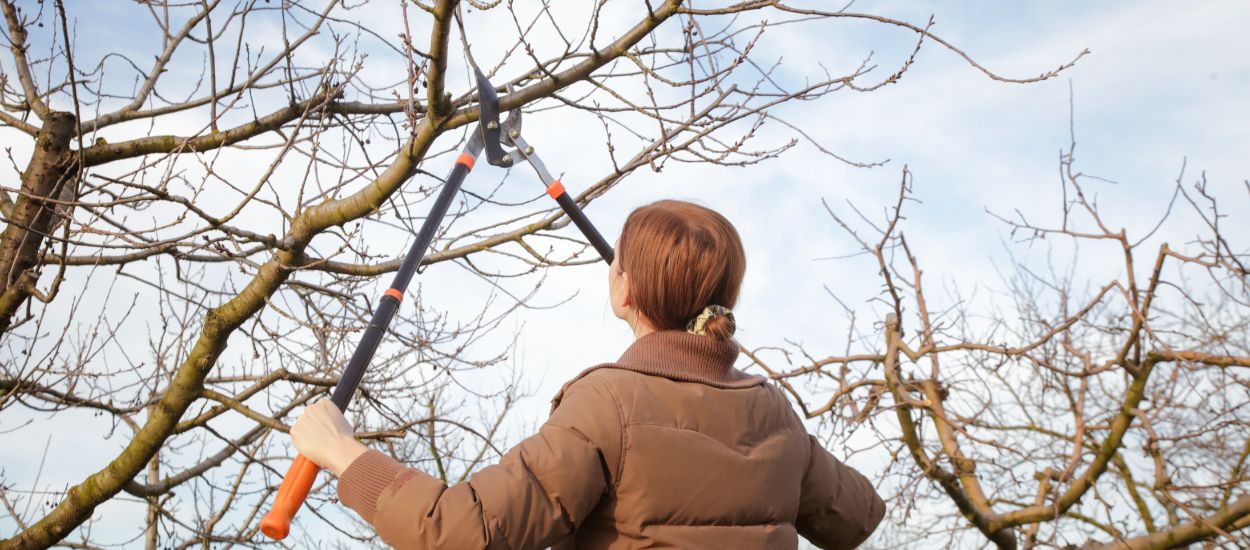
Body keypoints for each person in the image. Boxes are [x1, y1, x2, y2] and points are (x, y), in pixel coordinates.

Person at [292, 199, 885, 549]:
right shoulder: (775, 413)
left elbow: (462, 531)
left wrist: (347, 457)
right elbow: (860, 516)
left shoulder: (608, 405)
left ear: (622, 289)